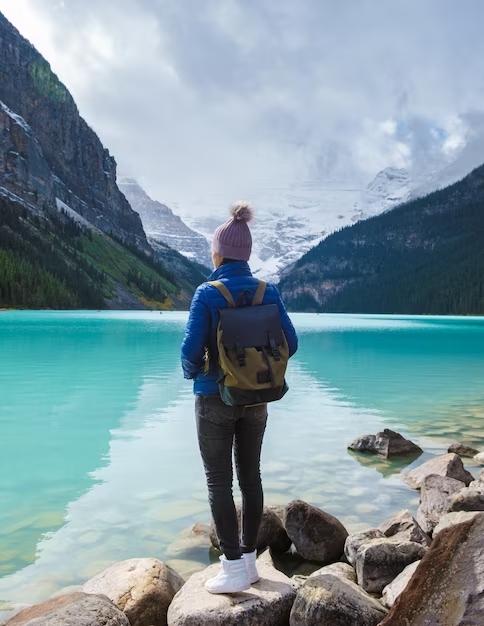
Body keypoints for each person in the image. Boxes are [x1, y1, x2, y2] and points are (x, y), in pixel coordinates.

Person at [180, 201, 298, 594]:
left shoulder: (207, 292)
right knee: (251, 477)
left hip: (215, 398)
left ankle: (231, 568)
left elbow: (190, 351)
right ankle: (249, 562)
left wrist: (194, 372)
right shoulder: (269, 291)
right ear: (245, 254)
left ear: (218, 252)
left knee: (218, 482)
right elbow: (291, 343)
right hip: (257, 400)